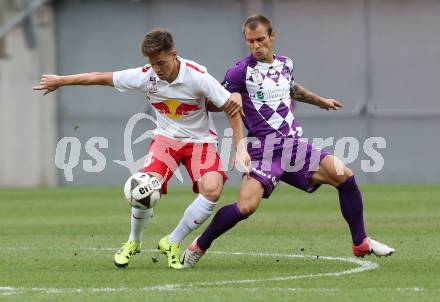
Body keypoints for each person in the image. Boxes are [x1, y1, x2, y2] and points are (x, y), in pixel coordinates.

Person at [182, 15, 394, 268]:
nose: (256, 46)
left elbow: (291, 89)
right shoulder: (240, 72)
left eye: (260, 39)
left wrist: (320, 100)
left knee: (345, 177)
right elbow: (214, 101)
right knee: (246, 207)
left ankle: (360, 242)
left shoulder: (286, 64)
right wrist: (228, 106)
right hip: (263, 150)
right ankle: (199, 246)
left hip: (295, 146)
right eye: (250, 41)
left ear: (272, 36)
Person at [33, 28, 250, 270]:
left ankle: (172, 241)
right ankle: (133, 241)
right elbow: (102, 77)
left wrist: (240, 147)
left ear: (174, 54)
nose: (157, 69)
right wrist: (61, 81)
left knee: (212, 190)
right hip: (166, 141)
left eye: (161, 62)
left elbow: (231, 106)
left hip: (200, 142)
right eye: (152, 63)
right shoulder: (146, 76)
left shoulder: (198, 77)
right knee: (142, 189)